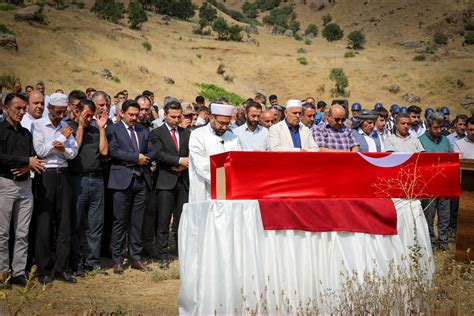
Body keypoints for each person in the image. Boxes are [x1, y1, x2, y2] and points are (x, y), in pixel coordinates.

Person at [32, 92, 78, 284]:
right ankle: (43, 269)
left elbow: (73, 152)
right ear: (49, 108)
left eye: (63, 112)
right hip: (46, 174)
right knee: (44, 222)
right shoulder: (39, 125)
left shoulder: (66, 127)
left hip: (63, 174)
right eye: (57, 112)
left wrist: (63, 148)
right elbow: (40, 151)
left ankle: (62, 268)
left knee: (64, 222)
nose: (60, 116)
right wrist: (60, 138)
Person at [0, 93, 46, 289]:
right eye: (17, 108)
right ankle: (3, 273)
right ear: (5, 108)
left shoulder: (26, 133)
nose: (21, 112)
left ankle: (18, 272)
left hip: (26, 185)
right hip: (6, 184)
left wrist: (28, 166)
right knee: (2, 233)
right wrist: (25, 161)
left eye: (23, 108)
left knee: (22, 232)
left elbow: (34, 157)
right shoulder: (1, 131)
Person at [106, 100, 157, 274]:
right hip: (121, 181)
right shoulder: (113, 129)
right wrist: (136, 158)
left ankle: (135, 257)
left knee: (137, 222)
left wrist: (143, 158)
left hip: (141, 181)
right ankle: (118, 259)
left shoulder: (143, 130)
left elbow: (152, 151)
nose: (135, 117)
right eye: (131, 115)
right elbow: (114, 151)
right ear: (122, 113)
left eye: (137, 114)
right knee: (120, 221)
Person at [68, 99, 108, 276]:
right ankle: (76, 263)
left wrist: (100, 128)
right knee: (75, 224)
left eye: (91, 116)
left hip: (97, 180)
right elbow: (74, 149)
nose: (89, 118)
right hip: (78, 180)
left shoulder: (95, 127)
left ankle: (92, 262)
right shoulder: (70, 127)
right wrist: (81, 126)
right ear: (77, 112)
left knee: (95, 224)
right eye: (86, 115)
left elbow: (104, 152)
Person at [150, 101, 190, 270]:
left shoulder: (186, 133)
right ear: (165, 115)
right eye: (172, 117)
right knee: (163, 220)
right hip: (165, 181)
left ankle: (182, 252)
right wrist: (179, 160)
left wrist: (185, 164)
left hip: (183, 181)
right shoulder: (157, 133)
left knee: (182, 220)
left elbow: (193, 152)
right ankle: (163, 255)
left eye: (178, 117)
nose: (175, 120)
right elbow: (158, 154)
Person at [188, 103, 242, 202]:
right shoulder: (198, 135)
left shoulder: (233, 137)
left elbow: (238, 162)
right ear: (211, 117)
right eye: (221, 123)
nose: (224, 127)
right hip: (205, 190)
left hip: (229, 191)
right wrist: (223, 180)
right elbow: (201, 164)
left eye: (227, 123)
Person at [418, 112, 453, 251]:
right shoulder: (419, 140)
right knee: (429, 216)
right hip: (428, 185)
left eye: (441, 127)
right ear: (427, 126)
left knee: (445, 215)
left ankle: (443, 242)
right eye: (435, 128)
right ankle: (431, 243)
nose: (439, 131)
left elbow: (452, 158)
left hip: (444, 184)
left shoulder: (445, 140)